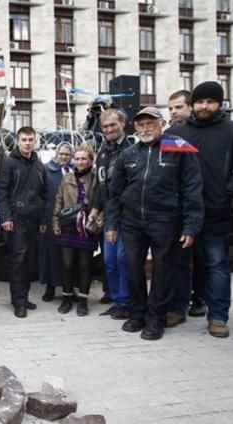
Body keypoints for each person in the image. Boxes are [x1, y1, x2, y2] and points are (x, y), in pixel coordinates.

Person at [168, 81, 233, 338]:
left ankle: (218, 316)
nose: (204, 106)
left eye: (210, 101)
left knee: (217, 264)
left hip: (215, 211)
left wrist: (225, 191)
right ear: (193, 104)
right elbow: (166, 170)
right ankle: (177, 308)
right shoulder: (177, 133)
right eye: (200, 101)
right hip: (183, 213)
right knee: (179, 264)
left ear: (219, 103)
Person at [106, 107, 204, 341]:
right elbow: (114, 193)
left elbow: (192, 188)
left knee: (162, 271)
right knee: (132, 267)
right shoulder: (128, 154)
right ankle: (137, 313)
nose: (145, 128)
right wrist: (111, 224)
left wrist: (191, 226)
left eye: (150, 123)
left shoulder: (178, 149)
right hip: (131, 221)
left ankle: (156, 319)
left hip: (165, 220)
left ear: (161, 124)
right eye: (141, 124)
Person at [0, 126, 49, 318]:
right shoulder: (9, 163)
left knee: (29, 261)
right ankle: (18, 302)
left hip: (34, 219)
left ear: (35, 141)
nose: (27, 143)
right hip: (16, 219)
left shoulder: (39, 165)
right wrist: (6, 218)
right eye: (24, 140)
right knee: (18, 260)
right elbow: (1, 193)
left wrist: (43, 219)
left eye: (30, 140)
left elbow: (45, 195)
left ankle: (24, 297)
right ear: (17, 141)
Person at [166, 89, 206, 326]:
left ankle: (200, 298)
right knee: (180, 261)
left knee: (206, 259)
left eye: (178, 107)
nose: (174, 112)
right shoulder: (171, 135)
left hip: (208, 204)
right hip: (178, 209)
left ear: (190, 107)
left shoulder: (204, 132)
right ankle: (177, 306)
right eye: (170, 108)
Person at [88, 109, 132, 319]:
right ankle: (116, 300)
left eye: (112, 125)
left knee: (124, 259)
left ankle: (126, 301)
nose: (109, 130)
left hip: (129, 214)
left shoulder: (132, 148)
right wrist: (95, 209)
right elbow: (101, 184)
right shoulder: (103, 151)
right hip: (109, 215)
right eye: (105, 127)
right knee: (109, 260)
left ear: (122, 124)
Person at [52, 144, 101, 316]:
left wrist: (98, 222)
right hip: (68, 226)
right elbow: (58, 200)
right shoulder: (67, 178)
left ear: (90, 160)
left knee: (85, 265)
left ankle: (82, 301)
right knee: (66, 265)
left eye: (84, 158)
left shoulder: (96, 179)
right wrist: (56, 223)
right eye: (77, 158)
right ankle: (66, 299)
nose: (80, 162)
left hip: (86, 227)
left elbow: (101, 201)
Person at [39, 142, 72, 302]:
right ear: (56, 154)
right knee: (51, 253)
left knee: (69, 254)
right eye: (61, 154)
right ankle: (50, 287)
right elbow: (42, 196)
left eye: (67, 154)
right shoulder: (47, 170)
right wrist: (43, 219)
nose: (64, 157)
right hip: (51, 217)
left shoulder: (75, 169)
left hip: (71, 219)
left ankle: (69, 288)